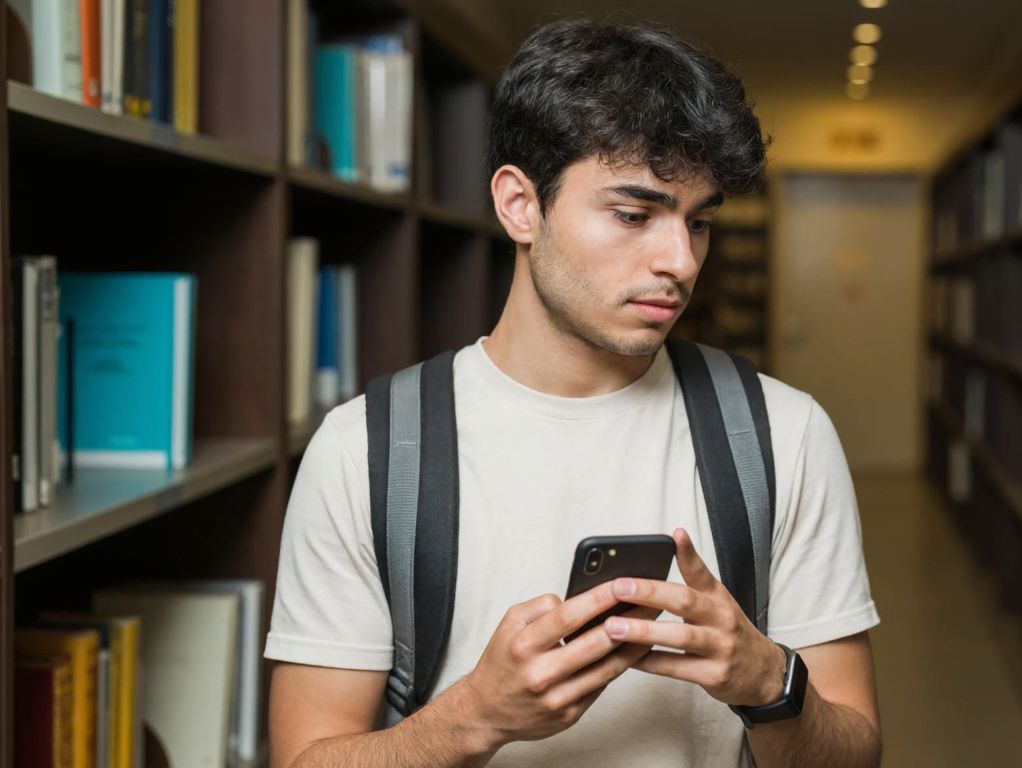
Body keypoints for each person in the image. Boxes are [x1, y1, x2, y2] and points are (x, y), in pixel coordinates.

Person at [265, 17, 881, 768]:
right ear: (520, 205)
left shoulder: (782, 434)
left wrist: (767, 680)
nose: (680, 260)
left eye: (700, 221)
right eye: (634, 214)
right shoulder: (365, 452)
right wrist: (472, 717)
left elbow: (853, 752)